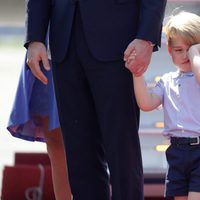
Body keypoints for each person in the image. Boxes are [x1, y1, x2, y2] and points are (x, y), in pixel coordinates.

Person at [25, 0, 166, 199]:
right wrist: (35, 37)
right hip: (64, 42)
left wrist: (146, 36)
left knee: (122, 151)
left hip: (119, 43)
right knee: (79, 153)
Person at [126, 11, 200, 200]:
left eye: (191, 49)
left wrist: (196, 55)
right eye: (179, 50)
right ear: (169, 51)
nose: (186, 55)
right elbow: (147, 103)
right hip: (176, 152)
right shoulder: (167, 81)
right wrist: (137, 74)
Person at [7, 56, 72, 200]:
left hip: (96, 44)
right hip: (48, 47)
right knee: (55, 143)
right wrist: (34, 39)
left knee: (92, 141)